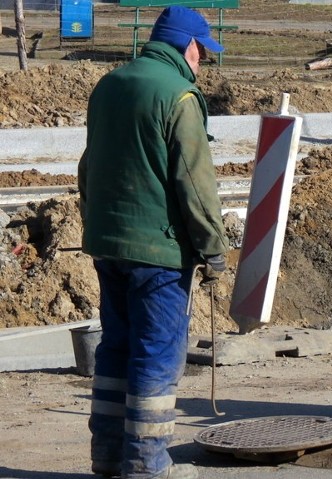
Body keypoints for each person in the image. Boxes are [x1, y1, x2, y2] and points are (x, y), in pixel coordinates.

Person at [77, 6, 228, 479]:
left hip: (108, 243)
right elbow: (193, 182)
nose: (204, 60)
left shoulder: (110, 85)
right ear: (187, 45)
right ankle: (147, 465)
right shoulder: (180, 96)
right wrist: (212, 247)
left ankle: (108, 456)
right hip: (159, 252)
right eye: (204, 50)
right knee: (156, 354)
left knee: (116, 349)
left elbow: (88, 166)